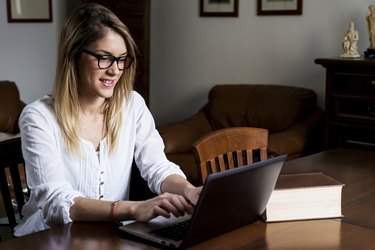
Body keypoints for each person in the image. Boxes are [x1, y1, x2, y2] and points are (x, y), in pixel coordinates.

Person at [14, 3, 201, 236]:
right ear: (74, 56)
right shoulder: (38, 118)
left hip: (109, 237)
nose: (115, 70)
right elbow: (57, 201)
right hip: (49, 239)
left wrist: (189, 191)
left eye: (122, 59)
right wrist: (134, 208)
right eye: (104, 58)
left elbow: (157, 167)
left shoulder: (132, 105)